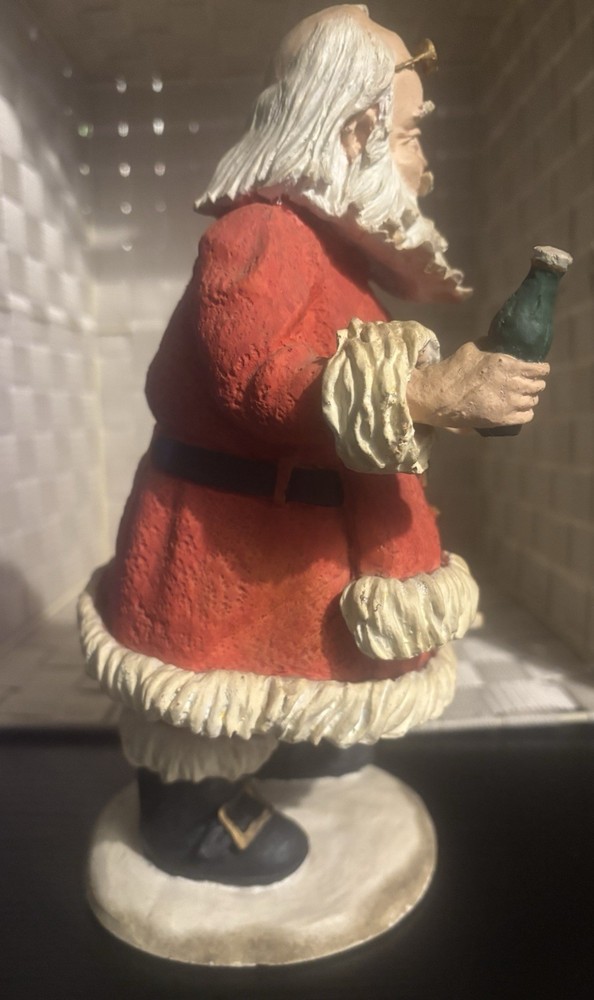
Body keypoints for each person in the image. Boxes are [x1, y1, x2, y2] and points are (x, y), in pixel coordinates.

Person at [79, 4, 549, 885]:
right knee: (203, 695)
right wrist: (423, 393)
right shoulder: (256, 234)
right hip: (224, 544)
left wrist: (449, 397)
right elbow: (259, 380)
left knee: (287, 664)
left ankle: (286, 744)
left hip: (290, 545)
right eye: (409, 135)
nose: (424, 163)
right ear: (357, 131)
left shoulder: (332, 253)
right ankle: (186, 818)